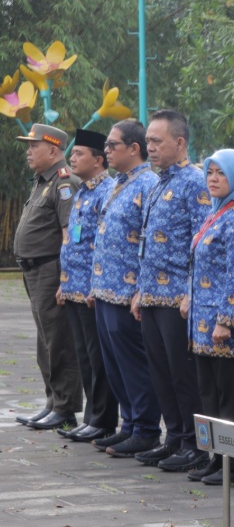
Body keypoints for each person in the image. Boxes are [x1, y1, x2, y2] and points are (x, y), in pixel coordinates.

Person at [131, 110, 208, 472]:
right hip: (152, 295)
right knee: (161, 372)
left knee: (183, 375)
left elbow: (201, 243)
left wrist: (192, 292)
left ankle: (195, 444)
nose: (150, 147)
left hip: (178, 298)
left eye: (157, 141)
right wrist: (139, 291)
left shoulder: (195, 182)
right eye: (148, 141)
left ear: (180, 143)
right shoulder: (158, 181)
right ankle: (174, 437)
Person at [184, 149, 234, 485]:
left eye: (221, 173)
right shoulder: (216, 213)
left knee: (230, 398)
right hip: (203, 323)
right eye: (210, 172)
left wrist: (225, 320)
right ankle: (217, 460)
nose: (213, 179)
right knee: (209, 394)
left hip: (229, 326)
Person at [90, 120, 161, 456]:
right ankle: (129, 424)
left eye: (112, 145)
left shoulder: (148, 183)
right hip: (105, 288)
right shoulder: (117, 183)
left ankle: (146, 428)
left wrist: (141, 288)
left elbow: (149, 241)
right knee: (114, 364)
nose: (106, 151)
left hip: (127, 291)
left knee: (134, 363)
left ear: (134, 148)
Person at [12, 123, 83, 431]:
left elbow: (71, 235)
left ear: (53, 150)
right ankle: (53, 402)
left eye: (34, 146)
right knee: (45, 340)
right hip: (34, 271)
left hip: (51, 270)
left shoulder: (64, 184)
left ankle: (65, 407)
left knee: (59, 340)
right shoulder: (42, 181)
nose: (28, 151)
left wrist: (66, 278)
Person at [55, 128, 117, 443]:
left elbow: (102, 246)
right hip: (74, 286)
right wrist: (64, 282)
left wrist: (94, 284)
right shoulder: (82, 191)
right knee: (84, 355)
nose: (73, 158)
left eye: (79, 154)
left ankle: (103, 418)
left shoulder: (107, 190)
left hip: (93, 289)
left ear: (99, 159)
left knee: (98, 356)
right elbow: (74, 240)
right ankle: (92, 416)